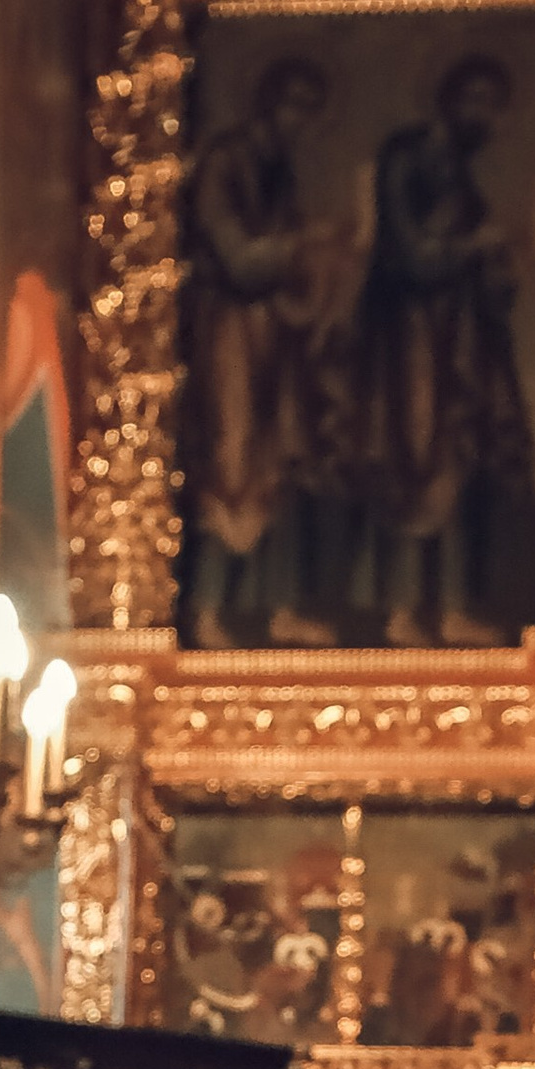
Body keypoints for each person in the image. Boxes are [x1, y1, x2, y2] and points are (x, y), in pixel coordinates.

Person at [352, 55, 535, 645]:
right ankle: (403, 608)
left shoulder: (461, 171)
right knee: (415, 456)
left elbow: (476, 267)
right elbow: (409, 253)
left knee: (456, 455)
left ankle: (454, 605)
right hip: (409, 333)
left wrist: (500, 267)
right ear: (449, 99)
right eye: (476, 100)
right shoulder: (408, 156)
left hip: (458, 338)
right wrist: (471, 246)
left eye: (494, 105)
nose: (484, 116)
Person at [180, 56, 350, 648]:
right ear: (270, 102)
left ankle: (278, 608)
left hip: (274, 334)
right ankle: (204, 608)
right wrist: (303, 242)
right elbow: (238, 256)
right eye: (293, 106)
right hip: (230, 330)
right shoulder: (226, 164)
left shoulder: (281, 171)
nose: (299, 122)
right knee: (232, 459)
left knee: (279, 456)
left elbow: (288, 264)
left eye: (310, 111)